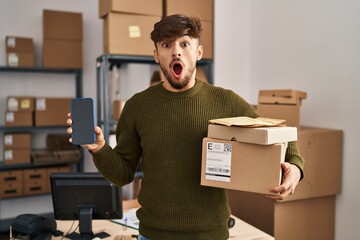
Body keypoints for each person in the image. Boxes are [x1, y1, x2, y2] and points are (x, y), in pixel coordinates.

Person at [67, 14, 304, 240]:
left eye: (185, 43)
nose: (176, 51)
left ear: (198, 52)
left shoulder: (225, 101)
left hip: (210, 235)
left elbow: (274, 135)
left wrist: (295, 166)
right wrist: (99, 148)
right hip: (152, 234)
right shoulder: (137, 106)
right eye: (167, 45)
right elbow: (122, 175)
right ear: (156, 55)